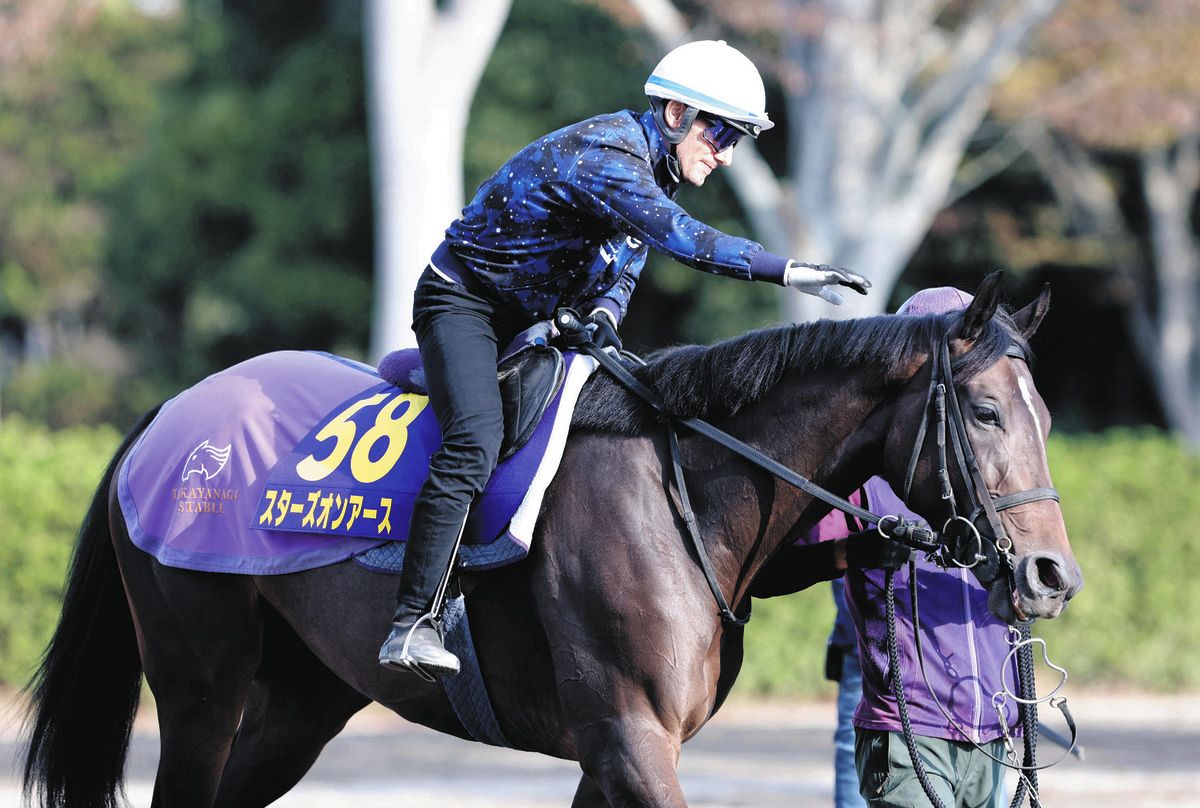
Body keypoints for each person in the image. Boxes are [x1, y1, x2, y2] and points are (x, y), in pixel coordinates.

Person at [377, 40, 872, 679]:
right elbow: (684, 241)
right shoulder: (608, 156)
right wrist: (789, 270)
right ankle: (413, 619)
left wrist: (604, 318)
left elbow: (623, 270)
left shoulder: (653, 170)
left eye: (737, 140)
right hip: (464, 304)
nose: (724, 152)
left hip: (538, 315)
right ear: (674, 113)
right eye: (720, 132)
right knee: (475, 439)